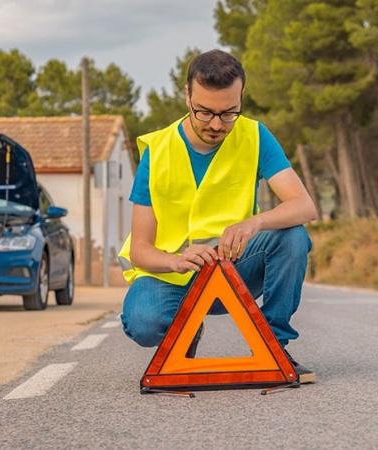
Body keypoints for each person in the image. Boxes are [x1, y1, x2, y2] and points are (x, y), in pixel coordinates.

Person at [117, 49, 318, 383]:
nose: (215, 124)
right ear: (187, 95)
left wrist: (254, 222)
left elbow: (304, 206)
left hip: (235, 267)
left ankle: (274, 346)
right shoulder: (157, 150)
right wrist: (176, 259)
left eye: (228, 114)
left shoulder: (254, 136)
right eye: (204, 112)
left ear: (241, 98)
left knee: (293, 235)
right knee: (142, 323)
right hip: (174, 275)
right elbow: (140, 250)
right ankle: (185, 330)